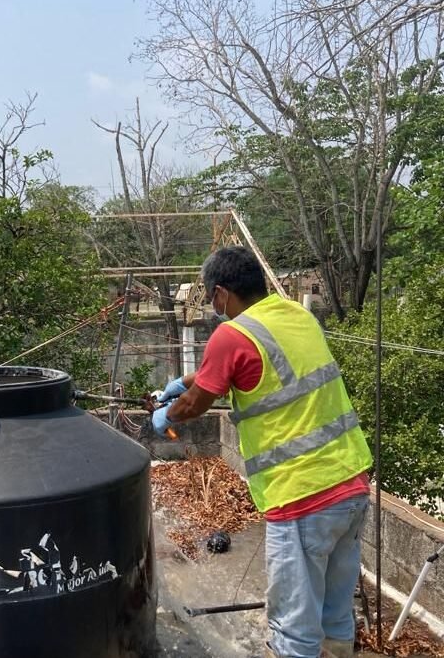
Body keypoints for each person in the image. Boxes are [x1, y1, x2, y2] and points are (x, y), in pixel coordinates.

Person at [152, 246, 373, 658]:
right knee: (335, 616)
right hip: (352, 484)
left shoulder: (231, 335)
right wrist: (188, 380)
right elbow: (243, 367)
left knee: (294, 630)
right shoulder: (296, 315)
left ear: (220, 294)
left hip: (302, 495)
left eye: (210, 298)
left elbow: (196, 404)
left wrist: (166, 415)